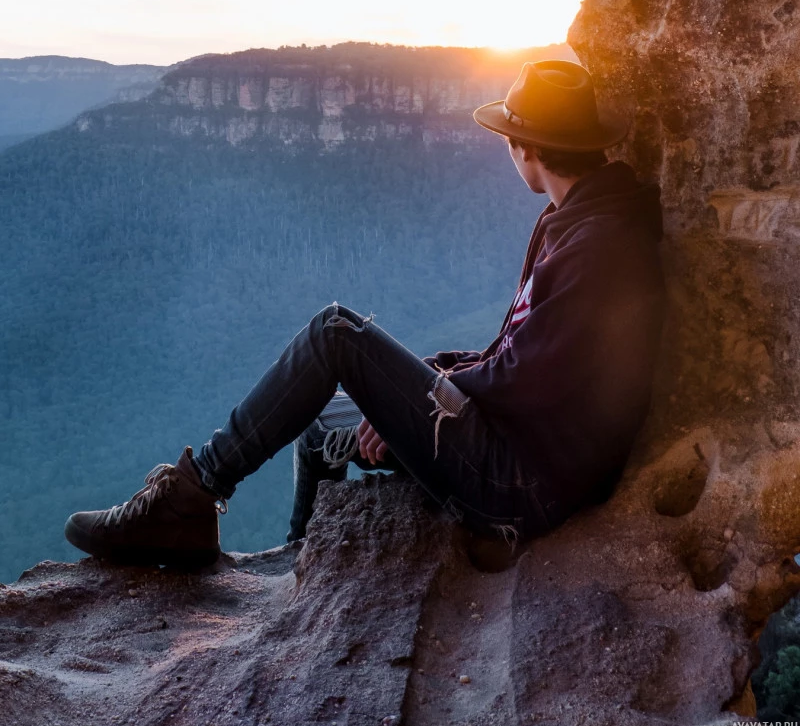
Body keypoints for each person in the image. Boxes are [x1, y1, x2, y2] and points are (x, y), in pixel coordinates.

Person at [64, 59, 666, 567]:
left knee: (336, 334)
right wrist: (425, 381)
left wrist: (434, 395)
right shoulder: (586, 220)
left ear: (525, 146)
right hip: (521, 452)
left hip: (518, 484)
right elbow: (526, 352)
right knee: (321, 422)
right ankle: (301, 563)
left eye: (509, 136)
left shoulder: (596, 244)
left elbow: (528, 375)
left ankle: (189, 499)